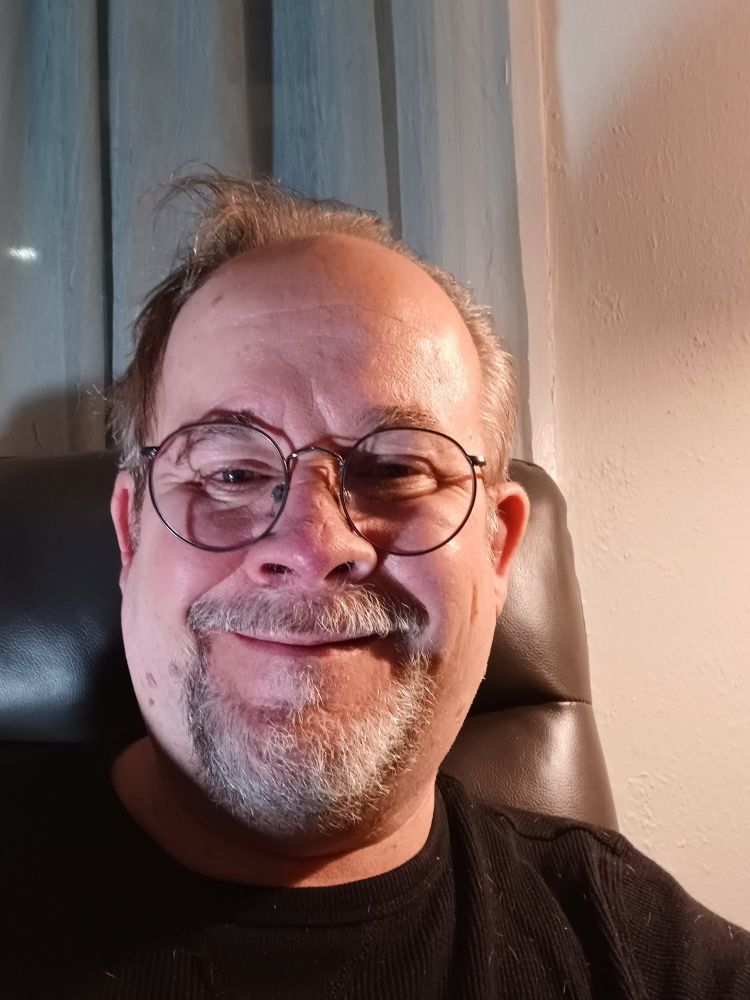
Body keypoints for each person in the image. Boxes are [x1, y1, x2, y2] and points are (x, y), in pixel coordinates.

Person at [4, 176, 749, 998]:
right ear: (130, 533)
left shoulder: (640, 954)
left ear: (498, 552)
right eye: (232, 470)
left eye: (396, 467)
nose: (314, 544)